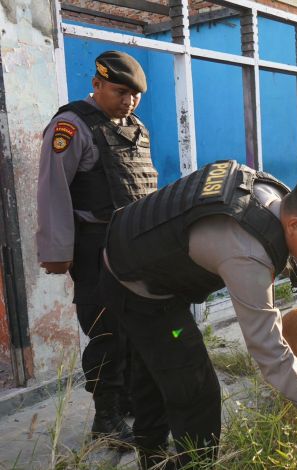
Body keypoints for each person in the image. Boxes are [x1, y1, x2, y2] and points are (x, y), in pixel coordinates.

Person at [97, 163, 297, 468]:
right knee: (195, 385)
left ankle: (151, 458)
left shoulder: (268, 192)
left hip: (131, 244)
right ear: (295, 224)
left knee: (157, 364)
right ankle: (196, 464)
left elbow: (267, 234)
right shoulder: (247, 257)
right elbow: (273, 357)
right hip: (137, 289)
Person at [36, 50, 158, 444]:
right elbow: (52, 190)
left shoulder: (136, 127)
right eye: (121, 92)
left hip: (134, 246)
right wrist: (56, 252)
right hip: (95, 248)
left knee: (137, 330)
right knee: (106, 332)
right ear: (97, 84)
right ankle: (106, 420)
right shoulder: (71, 126)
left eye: (135, 95)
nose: (129, 101)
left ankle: (129, 404)